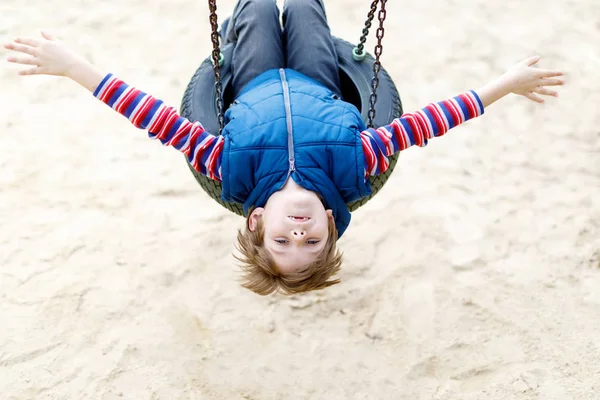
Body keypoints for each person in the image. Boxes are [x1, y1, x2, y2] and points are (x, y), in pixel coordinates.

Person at [4, 0, 564, 296]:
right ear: (329, 219)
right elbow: (430, 122)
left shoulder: (226, 168)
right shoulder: (356, 165)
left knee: (253, 10)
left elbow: (150, 116)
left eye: (283, 239)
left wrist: (75, 69)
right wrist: (505, 85)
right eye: (310, 239)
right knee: (299, 7)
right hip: (320, 77)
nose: (297, 231)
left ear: (254, 222)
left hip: (250, 79)